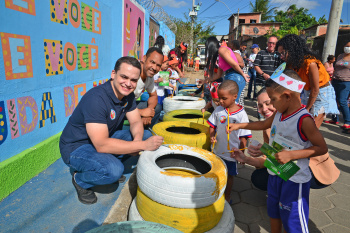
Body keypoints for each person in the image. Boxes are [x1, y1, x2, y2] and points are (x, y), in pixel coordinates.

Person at [229, 68, 328, 233]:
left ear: (287, 96)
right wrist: (239, 126)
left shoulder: (304, 120)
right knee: (274, 211)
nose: (272, 105)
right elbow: (262, 125)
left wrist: (292, 155)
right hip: (275, 173)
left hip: (294, 180)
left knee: (293, 221)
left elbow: (321, 147)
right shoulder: (279, 114)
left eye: (273, 100)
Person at [59, 56, 164, 204]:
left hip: (102, 138)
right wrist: (140, 146)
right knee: (113, 171)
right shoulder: (96, 99)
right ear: (113, 74)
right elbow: (102, 145)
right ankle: (80, 180)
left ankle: (105, 162)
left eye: (133, 80)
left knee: (145, 135)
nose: (128, 84)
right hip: (77, 147)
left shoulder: (127, 96)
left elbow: (135, 121)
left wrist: (138, 141)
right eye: (124, 77)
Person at [276, 34, 339, 128]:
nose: (281, 56)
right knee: (301, 126)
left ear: (293, 50)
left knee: (310, 128)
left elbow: (315, 89)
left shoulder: (310, 63)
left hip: (321, 94)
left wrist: (308, 108)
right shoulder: (291, 63)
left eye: (283, 53)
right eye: (279, 53)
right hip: (306, 92)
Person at [207, 80, 252, 203]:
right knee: (216, 172)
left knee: (229, 175)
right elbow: (212, 126)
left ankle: (227, 196)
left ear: (234, 97)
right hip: (217, 150)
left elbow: (244, 136)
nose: (220, 101)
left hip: (231, 154)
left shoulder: (241, 115)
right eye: (219, 98)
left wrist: (242, 152)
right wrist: (212, 136)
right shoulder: (218, 110)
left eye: (224, 98)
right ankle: (214, 193)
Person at [206, 39, 250, 104]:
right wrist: (206, 80)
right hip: (230, 77)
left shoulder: (222, 49)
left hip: (235, 77)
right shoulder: (220, 55)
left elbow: (234, 64)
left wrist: (243, 74)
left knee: (231, 104)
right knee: (231, 104)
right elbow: (218, 75)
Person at [133, 47, 164, 128]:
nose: (154, 67)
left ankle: (144, 131)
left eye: (158, 65)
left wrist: (149, 112)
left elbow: (153, 96)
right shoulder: (133, 73)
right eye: (152, 62)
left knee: (157, 107)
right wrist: (141, 112)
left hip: (130, 105)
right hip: (116, 108)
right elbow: (119, 104)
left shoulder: (149, 77)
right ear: (144, 58)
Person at [330, 41, 350, 132]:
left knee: (342, 101)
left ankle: (347, 122)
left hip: (346, 82)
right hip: (335, 80)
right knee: (333, 100)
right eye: (346, 46)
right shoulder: (340, 56)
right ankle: (335, 119)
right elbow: (336, 68)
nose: (347, 48)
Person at [323, 55, 338, 125]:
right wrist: (329, 74)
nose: (334, 61)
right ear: (330, 59)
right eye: (333, 59)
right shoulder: (325, 64)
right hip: (326, 80)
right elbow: (323, 72)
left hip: (331, 80)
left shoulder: (332, 64)